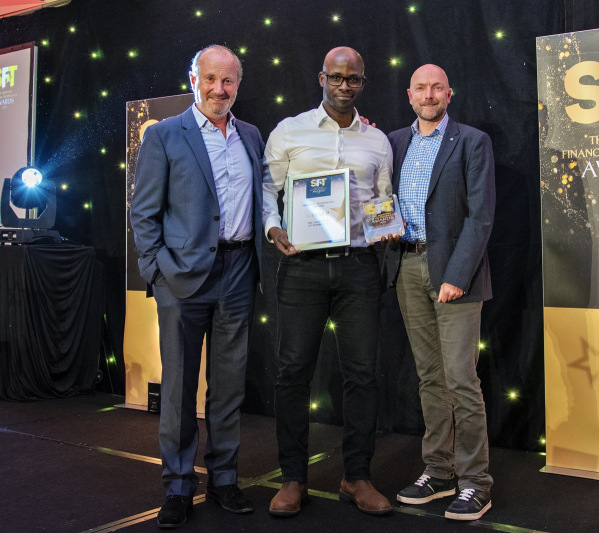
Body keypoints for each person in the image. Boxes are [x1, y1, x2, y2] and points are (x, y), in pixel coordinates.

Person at [130, 45, 267, 529]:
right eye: (210, 78)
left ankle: (224, 480)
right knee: (181, 386)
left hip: (238, 273)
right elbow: (142, 213)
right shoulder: (165, 135)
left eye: (228, 81)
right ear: (193, 78)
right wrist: (157, 272)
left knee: (228, 389)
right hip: (182, 279)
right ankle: (179, 486)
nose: (218, 89)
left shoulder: (251, 135)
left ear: (238, 85)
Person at [263, 46, 393, 517]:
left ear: (363, 81)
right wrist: (271, 226)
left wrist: (385, 228)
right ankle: (292, 478)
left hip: (359, 266)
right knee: (293, 373)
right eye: (336, 77)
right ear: (321, 77)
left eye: (353, 79)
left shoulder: (377, 141)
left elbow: (383, 199)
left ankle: (356, 477)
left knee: (362, 374)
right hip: (301, 265)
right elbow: (266, 188)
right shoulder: (289, 131)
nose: (344, 86)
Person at [386, 64, 495, 521]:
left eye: (437, 88)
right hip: (406, 266)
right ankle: (439, 470)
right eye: (421, 88)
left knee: (461, 380)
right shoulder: (392, 142)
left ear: (449, 93)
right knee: (429, 377)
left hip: (454, 275)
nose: (428, 95)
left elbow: (481, 216)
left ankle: (476, 483)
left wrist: (458, 275)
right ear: (409, 95)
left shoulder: (472, 141)